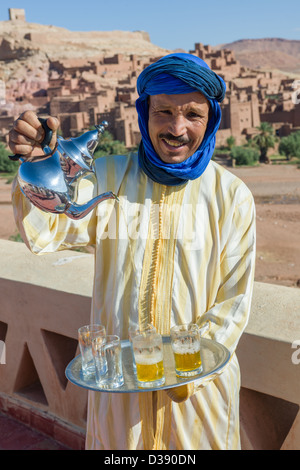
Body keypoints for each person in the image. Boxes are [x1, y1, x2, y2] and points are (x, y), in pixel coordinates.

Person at [9, 53, 256, 450]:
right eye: (164, 112)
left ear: (211, 119)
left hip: (197, 398)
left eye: (193, 114)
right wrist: (38, 167)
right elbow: (48, 230)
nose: (177, 128)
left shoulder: (231, 197)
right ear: (144, 113)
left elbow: (234, 303)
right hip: (119, 394)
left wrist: (182, 374)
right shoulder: (107, 177)